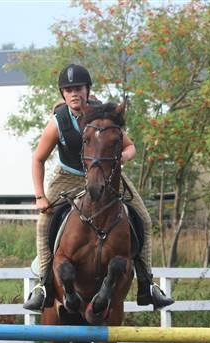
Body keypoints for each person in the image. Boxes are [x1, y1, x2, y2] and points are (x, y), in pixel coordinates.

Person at [23, 63, 174, 311]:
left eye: (78, 88)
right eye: (68, 89)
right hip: (68, 176)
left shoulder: (102, 114)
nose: (74, 94)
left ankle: (147, 284)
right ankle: (44, 285)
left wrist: (122, 158)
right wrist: (40, 196)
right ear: (62, 94)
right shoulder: (58, 122)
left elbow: (130, 146)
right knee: (44, 222)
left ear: (88, 90)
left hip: (105, 175)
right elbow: (38, 159)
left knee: (144, 219)